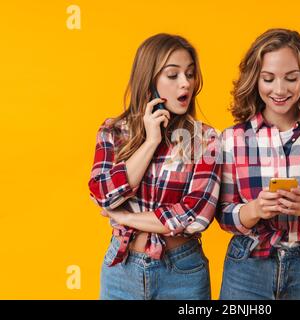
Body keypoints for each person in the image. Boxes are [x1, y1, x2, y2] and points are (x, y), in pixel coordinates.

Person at [217, 28, 300, 300]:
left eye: (291, 78)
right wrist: (254, 209)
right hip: (247, 265)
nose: (279, 90)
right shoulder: (232, 139)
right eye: (268, 79)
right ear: (255, 80)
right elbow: (223, 213)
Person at [88, 33, 221, 300]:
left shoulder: (206, 139)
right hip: (121, 269)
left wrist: (126, 218)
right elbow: (102, 194)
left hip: (182, 271)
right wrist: (150, 142)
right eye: (173, 75)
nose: (186, 83)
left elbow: (195, 216)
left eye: (190, 74)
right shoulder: (113, 132)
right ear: (149, 79)